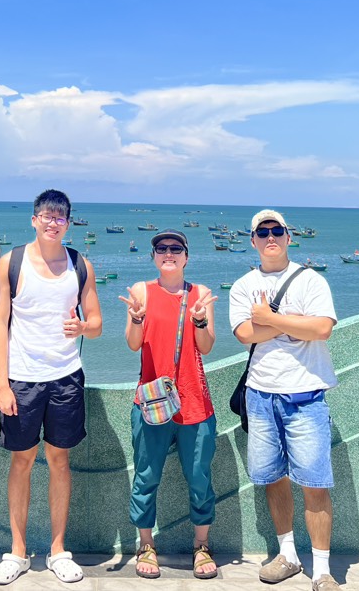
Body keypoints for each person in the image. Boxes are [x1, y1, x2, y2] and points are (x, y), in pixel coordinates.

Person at [0, 189, 103, 586]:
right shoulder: (12, 263)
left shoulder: (79, 264)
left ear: (68, 223)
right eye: (46, 216)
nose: (53, 223)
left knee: (59, 461)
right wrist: (1, 384)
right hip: (21, 379)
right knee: (21, 462)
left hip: (66, 378)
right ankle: (17, 553)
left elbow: (97, 321)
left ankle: (58, 551)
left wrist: (83, 327)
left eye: (60, 218)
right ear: (34, 220)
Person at [228, 210, 341, 591]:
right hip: (261, 395)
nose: (271, 236)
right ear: (254, 240)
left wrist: (267, 318)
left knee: (314, 482)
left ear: (288, 237)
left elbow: (322, 328)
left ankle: (322, 570)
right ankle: (288, 555)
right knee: (272, 477)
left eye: (277, 231)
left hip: (306, 395)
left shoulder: (311, 280)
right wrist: (291, 320)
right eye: (263, 232)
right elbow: (245, 334)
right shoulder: (243, 285)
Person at [119, 230, 219, 580]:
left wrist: (200, 320)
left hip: (195, 403)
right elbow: (133, 345)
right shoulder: (140, 291)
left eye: (176, 249)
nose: (169, 253)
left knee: (200, 478)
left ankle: (201, 545)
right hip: (152, 403)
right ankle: (145, 544)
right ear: (154, 257)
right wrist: (135, 317)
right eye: (161, 249)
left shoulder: (201, 294)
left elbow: (206, 346)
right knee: (146, 477)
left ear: (187, 257)